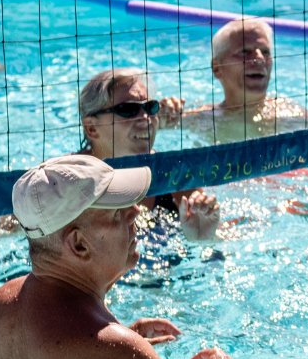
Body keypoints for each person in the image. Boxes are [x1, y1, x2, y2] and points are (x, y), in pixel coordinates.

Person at [0, 154, 257, 359]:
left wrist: (120, 336)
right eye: (115, 211)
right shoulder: (116, 353)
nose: (134, 211)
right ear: (79, 244)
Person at [77, 66, 218, 238]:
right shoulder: (67, 183)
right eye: (128, 109)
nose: (145, 119)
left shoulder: (173, 176)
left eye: (150, 107)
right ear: (92, 128)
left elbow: (219, 243)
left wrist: (204, 239)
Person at [179, 17, 308, 142]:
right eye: (245, 52)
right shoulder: (202, 118)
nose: (259, 59)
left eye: (265, 52)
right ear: (217, 68)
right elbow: (161, 124)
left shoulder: (293, 116)